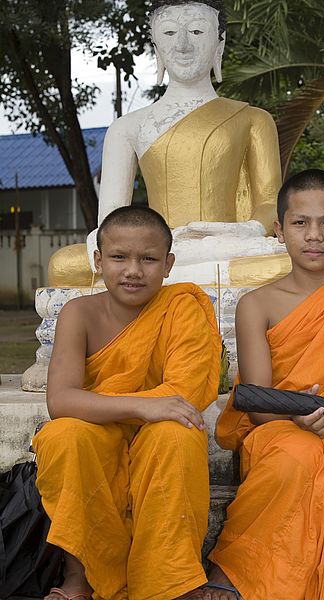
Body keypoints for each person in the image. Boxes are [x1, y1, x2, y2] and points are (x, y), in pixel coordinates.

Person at [206, 169, 324, 600]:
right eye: (300, 223)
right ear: (280, 231)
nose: (314, 235)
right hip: (280, 427)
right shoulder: (256, 304)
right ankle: (242, 572)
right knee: (293, 460)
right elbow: (258, 401)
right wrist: (301, 415)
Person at [32, 205, 223, 600]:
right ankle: (81, 577)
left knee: (177, 434)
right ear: (99, 261)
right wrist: (140, 405)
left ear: (168, 264)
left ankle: (171, 582)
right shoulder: (79, 313)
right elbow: (61, 400)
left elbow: (183, 396)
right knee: (63, 435)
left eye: (148, 259)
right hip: (100, 429)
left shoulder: (183, 307)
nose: (133, 270)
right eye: (119, 257)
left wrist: (149, 410)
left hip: (158, 431)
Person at [48, 0, 286, 289]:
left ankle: (169, 272)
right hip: (152, 251)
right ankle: (177, 269)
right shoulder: (128, 127)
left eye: (197, 31)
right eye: (170, 33)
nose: (183, 45)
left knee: (284, 265)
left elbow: (270, 203)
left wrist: (241, 232)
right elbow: (111, 224)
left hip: (227, 243)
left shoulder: (253, 119)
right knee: (63, 265)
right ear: (156, 44)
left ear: (219, 42)